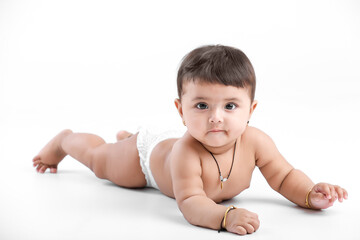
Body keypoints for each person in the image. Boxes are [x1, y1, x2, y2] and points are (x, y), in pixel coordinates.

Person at [32, 45, 348, 235]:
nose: (215, 117)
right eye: (201, 105)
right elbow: (191, 202)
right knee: (100, 161)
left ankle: (126, 136)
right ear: (180, 110)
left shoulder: (256, 142)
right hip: (146, 162)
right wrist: (225, 217)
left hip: (170, 142)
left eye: (230, 106)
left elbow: (284, 176)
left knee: (117, 149)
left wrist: (308, 193)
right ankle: (66, 141)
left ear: (250, 109)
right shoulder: (187, 152)